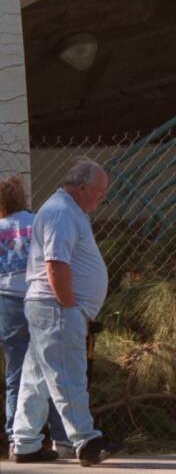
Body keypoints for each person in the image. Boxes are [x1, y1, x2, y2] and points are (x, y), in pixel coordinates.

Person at [10, 159, 122, 465]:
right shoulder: (61, 212)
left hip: (49, 307)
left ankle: (25, 442)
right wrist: (70, 305)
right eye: (100, 191)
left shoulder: (69, 210)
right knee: (68, 375)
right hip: (57, 306)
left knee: (37, 378)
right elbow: (55, 263)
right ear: (83, 187)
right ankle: (86, 441)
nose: (102, 197)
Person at [0, 176, 71, 461]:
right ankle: (61, 435)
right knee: (52, 366)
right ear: (23, 197)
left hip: (6, 301)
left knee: (16, 371)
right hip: (39, 296)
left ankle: (15, 435)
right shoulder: (37, 221)